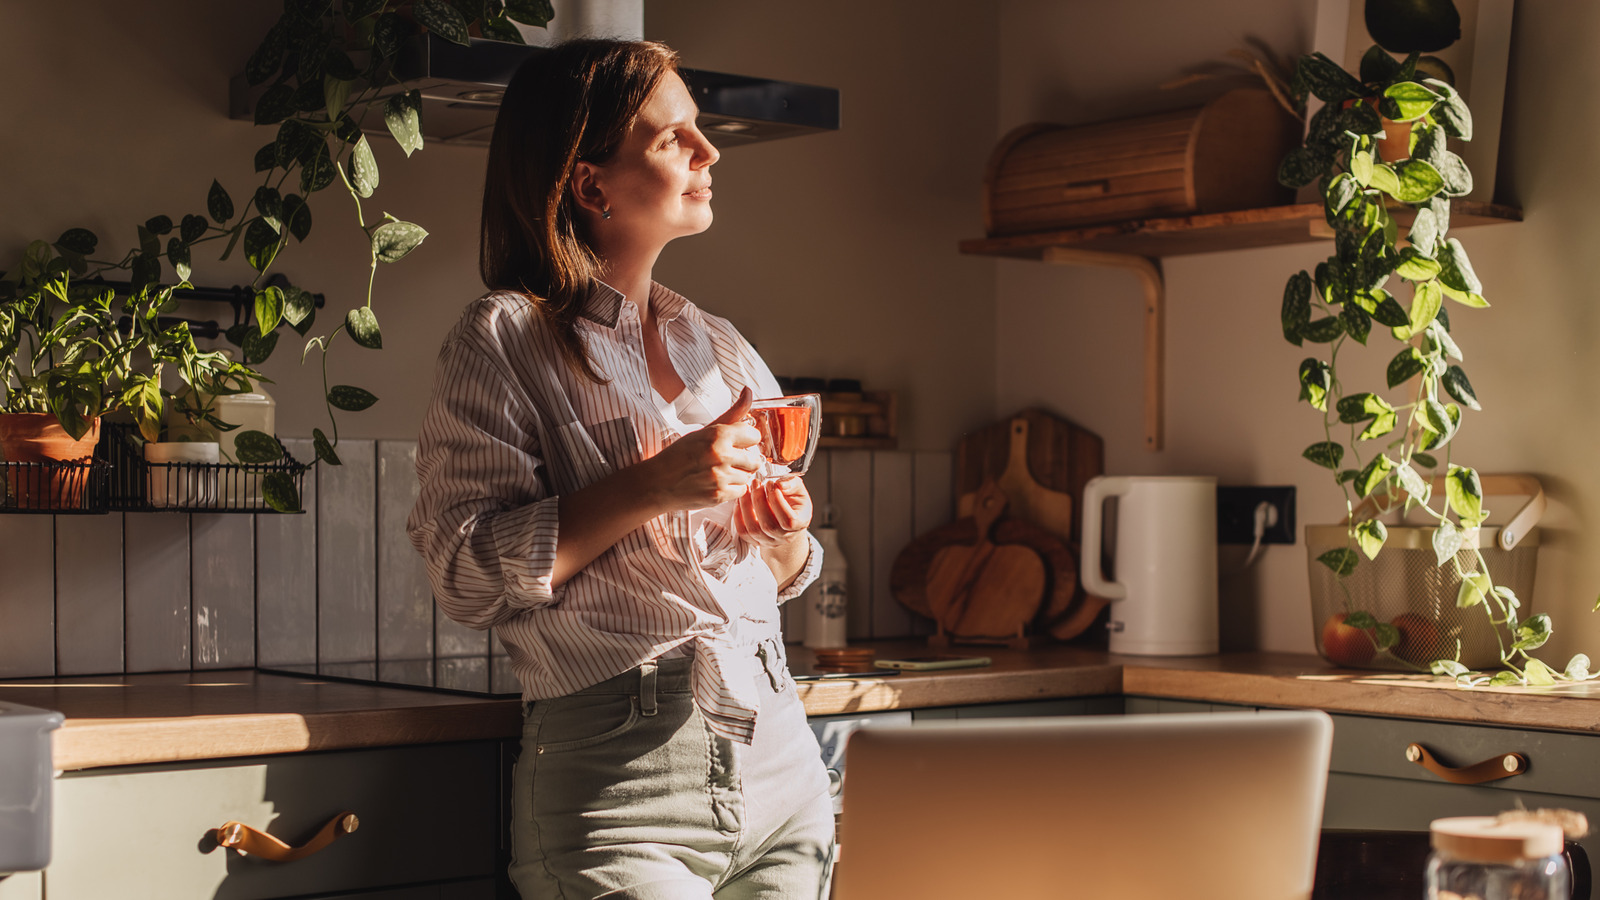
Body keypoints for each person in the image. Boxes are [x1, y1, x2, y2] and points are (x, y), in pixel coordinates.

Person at [407, 38, 834, 900]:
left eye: (700, 132)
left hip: (784, 772)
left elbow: (785, 571)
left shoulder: (721, 347)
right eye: (674, 137)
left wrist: (780, 531)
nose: (708, 152)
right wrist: (654, 484)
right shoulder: (503, 340)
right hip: (620, 792)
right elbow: (463, 573)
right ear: (590, 182)